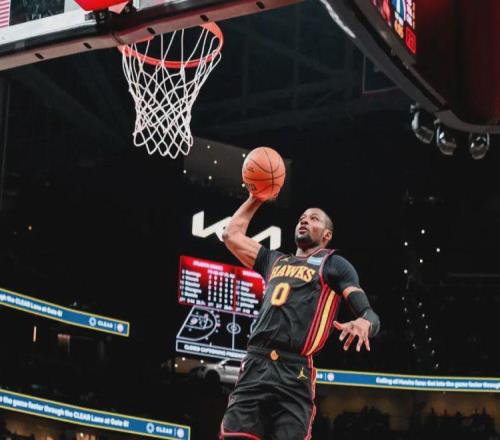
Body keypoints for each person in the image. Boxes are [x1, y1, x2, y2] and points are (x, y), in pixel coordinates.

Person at [219, 195, 380, 440]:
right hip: (256, 363)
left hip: (295, 371)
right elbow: (231, 235)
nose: (304, 221)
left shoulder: (334, 264)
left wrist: (365, 322)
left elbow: (368, 313)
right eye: (301, 218)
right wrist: (255, 198)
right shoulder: (274, 260)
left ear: (326, 235)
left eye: (314, 219)